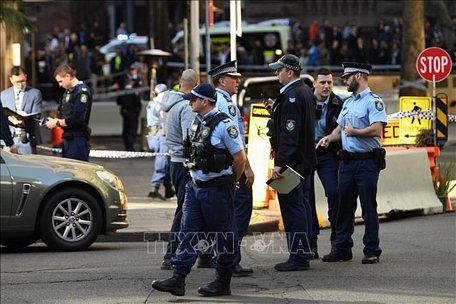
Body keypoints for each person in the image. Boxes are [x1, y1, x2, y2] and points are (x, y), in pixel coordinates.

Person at [151, 83, 246, 297]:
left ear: (205, 101)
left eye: (193, 99)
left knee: (222, 236)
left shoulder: (225, 125)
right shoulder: (198, 121)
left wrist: (232, 180)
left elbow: (240, 157)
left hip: (216, 189)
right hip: (195, 187)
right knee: (188, 232)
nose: (190, 101)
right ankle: (178, 278)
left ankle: (223, 280)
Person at [317, 62, 387, 264]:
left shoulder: (373, 102)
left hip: (366, 162)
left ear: (358, 76)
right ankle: (342, 248)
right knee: (343, 207)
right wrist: (329, 138)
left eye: (347, 77)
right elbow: (340, 129)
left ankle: (372, 250)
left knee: (368, 208)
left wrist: (355, 132)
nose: (344, 81)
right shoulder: (348, 102)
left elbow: (376, 130)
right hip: (346, 162)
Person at [267, 54, 317, 271]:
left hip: (293, 163)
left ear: (289, 71)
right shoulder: (304, 91)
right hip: (304, 160)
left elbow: (290, 133)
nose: (276, 73)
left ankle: (298, 257)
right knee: (302, 207)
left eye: (279, 70)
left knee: (293, 209)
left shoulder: (292, 96)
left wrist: (280, 162)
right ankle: (303, 252)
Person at [208, 60, 255, 276]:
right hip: (232, 166)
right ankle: (231, 260)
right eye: (234, 78)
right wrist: (246, 169)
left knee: (226, 214)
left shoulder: (215, 101)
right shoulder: (225, 104)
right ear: (222, 80)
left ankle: (218, 256)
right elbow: (235, 144)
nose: (238, 81)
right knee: (239, 213)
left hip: (220, 166)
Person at [159, 69, 199, 269]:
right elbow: (190, 138)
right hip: (185, 163)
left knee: (188, 209)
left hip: (175, 161)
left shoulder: (172, 103)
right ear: (196, 83)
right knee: (185, 210)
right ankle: (172, 254)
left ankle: (201, 252)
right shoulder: (186, 106)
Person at [306, 68, 344, 259]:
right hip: (306, 154)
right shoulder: (305, 100)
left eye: (329, 82)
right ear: (314, 83)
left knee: (334, 193)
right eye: (322, 82)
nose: (327, 86)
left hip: (327, 153)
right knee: (307, 199)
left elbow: (344, 128)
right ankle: (311, 241)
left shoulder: (338, 103)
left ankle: (336, 237)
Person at [45, 64, 93, 162]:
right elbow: (65, 113)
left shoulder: (81, 92)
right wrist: (55, 120)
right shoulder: (69, 92)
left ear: (68, 76)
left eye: (60, 81)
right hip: (68, 138)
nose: (59, 84)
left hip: (77, 138)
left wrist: (57, 123)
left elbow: (77, 118)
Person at [1, 66, 42, 154]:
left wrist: (23, 123)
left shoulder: (35, 94)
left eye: (23, 81)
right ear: (11, 80)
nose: (20, 84)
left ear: (26, 77)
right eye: (17, 82)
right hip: (9, 141)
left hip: (27, 140)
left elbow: (36, 117)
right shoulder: (4, 95)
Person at [146, 84, 174, 199]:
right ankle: (155, 187)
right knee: (162, 161)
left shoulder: (151, 104)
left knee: (165, 161)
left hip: (153, 136)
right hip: (161, 136)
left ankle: (168, 189)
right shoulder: (160, 106)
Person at [116, 65, 143, 151]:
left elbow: (138, 97)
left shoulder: (138, 81)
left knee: (131, 128)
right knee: (129, 128)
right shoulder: (125, 83)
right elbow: (120, 99)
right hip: (128, 109)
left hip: (133, 109)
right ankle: (129, 145)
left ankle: (129, 144)